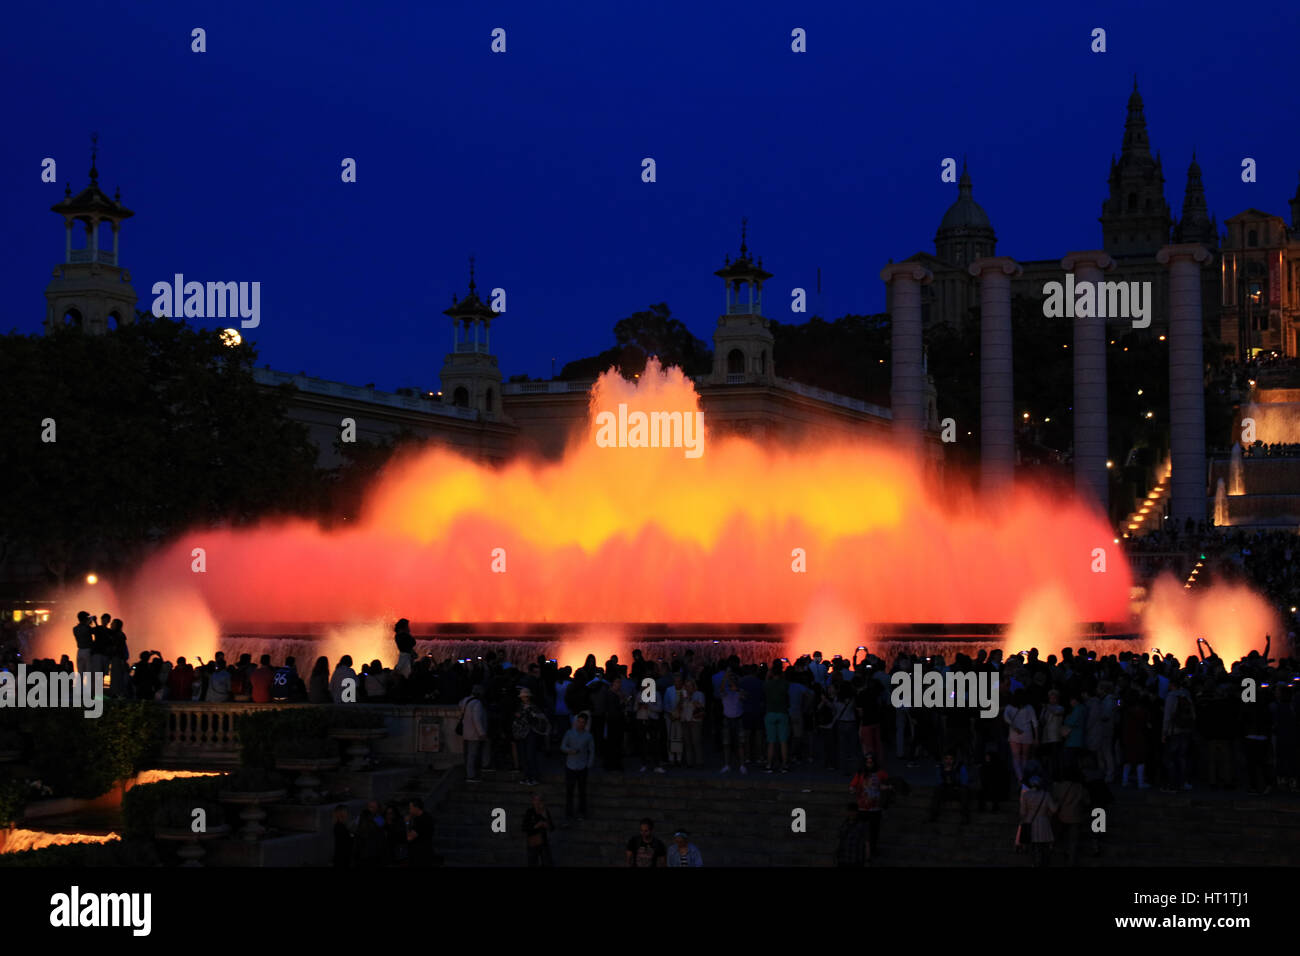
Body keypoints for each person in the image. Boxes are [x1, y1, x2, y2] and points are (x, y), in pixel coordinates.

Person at [850, 752, 892, 858]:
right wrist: (853, 789)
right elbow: (852, 786)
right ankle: (862, 850)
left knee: (874, 831)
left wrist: (885, 787)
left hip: (875, 808)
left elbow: (889, 784)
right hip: (862, 807)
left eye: (871, 762)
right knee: (861, 831)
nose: (869, 764)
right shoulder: (860, 773)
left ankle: (871, 851)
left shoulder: (881, 773)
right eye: (867, 762)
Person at [561, 712, 595, 821]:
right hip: (570, 766)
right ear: (576, 722)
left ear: (585, 724)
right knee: (569, 792)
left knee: (582, 791)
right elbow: (562, 746)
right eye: (579, 722)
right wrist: (570, 751)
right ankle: (568, 813)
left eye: (582, 722)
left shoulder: (588, 736)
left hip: (582, 767)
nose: (580, 724)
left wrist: (588, 764)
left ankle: (581, 812)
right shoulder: (569, 733)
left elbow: (592, 751)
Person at [1018, 775, 1058, 867]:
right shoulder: (1046, 794)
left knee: (1033, 846)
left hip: (1030, 822)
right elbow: (1054, 809)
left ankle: (1034, 863)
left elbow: (1023, 812)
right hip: (1044, 822)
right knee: (1044, 846)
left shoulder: (1026, 795)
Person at [928, 751, 971, 823]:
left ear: (954, 759)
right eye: (947, 759)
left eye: (951, 759)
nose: (949, 761)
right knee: (937, 789)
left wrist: (953, 775)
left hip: (957, 790)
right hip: (946, 790)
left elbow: (964, 781)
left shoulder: (960, 766)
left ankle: (965, 817)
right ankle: (933, 815)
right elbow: (939, 781)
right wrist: (946, 776)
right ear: (944, 759)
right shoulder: (941, 767)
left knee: (964, 791)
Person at [763, 662, 791, 773]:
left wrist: (767, 675)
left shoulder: (767, 684)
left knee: (771, 741)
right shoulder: (785, 684)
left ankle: (769, 765)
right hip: (782, 713)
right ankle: (784, 765)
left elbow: (764, 687)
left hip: (770, 713)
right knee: (783, 741)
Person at [719, 670, 746, 774]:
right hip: (727, 719)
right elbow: (720, 690)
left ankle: (742, 765)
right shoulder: (725, 691)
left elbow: (745, 696)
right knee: (726, 743)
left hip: (738, 719)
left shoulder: (739, 691)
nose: (732, 682)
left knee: (740, 743)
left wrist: (737, 689)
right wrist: (725, 678)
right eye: (730, 680)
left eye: (733, 680)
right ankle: (727, 765)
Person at [460, 684, 489, 782]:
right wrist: (482, 733)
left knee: (468, 755)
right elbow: (477, 720)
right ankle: (471, 775)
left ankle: (469, 773)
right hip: (474, 733)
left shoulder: (465, 701)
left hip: (466, 731)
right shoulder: (477, 703)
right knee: (472, 755)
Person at [523, 791, 554, 866]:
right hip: (533, 841)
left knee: (546, 862)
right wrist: (536, 826)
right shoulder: (529, 812)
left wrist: (546, 824)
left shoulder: (545, 812)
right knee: (532, 862)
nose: (537, 802)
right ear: (533, 801)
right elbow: (524, 827)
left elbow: (552, 827)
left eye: (539, 800)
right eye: (536, 800)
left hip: (543, 842)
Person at [353, 800, 387, 867]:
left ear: (377, 808)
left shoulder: (379, 818)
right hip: (363, 851)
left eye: (373, 807)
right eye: (370, 807)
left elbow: (381, 829)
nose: (371, 809)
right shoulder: (361, 817)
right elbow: (354, 829)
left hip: (375, 851)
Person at [834, 801, 869, 867]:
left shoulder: (862, 825)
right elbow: (839, 839)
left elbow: (867, 842)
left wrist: (867, 859)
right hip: (843, 858)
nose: (851, 813)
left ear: (857, 812)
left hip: (856, 859)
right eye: (850, 811)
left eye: (853, 811)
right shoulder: (844, 824)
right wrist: (836, 853)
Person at [406, 798, 434, 867]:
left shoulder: (422, 820)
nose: (409, 810)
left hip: (420, 855)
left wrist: (406, 823)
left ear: (416, 808)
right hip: (422, 853)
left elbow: (409, 838)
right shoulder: (424, 817)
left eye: (411, 808)